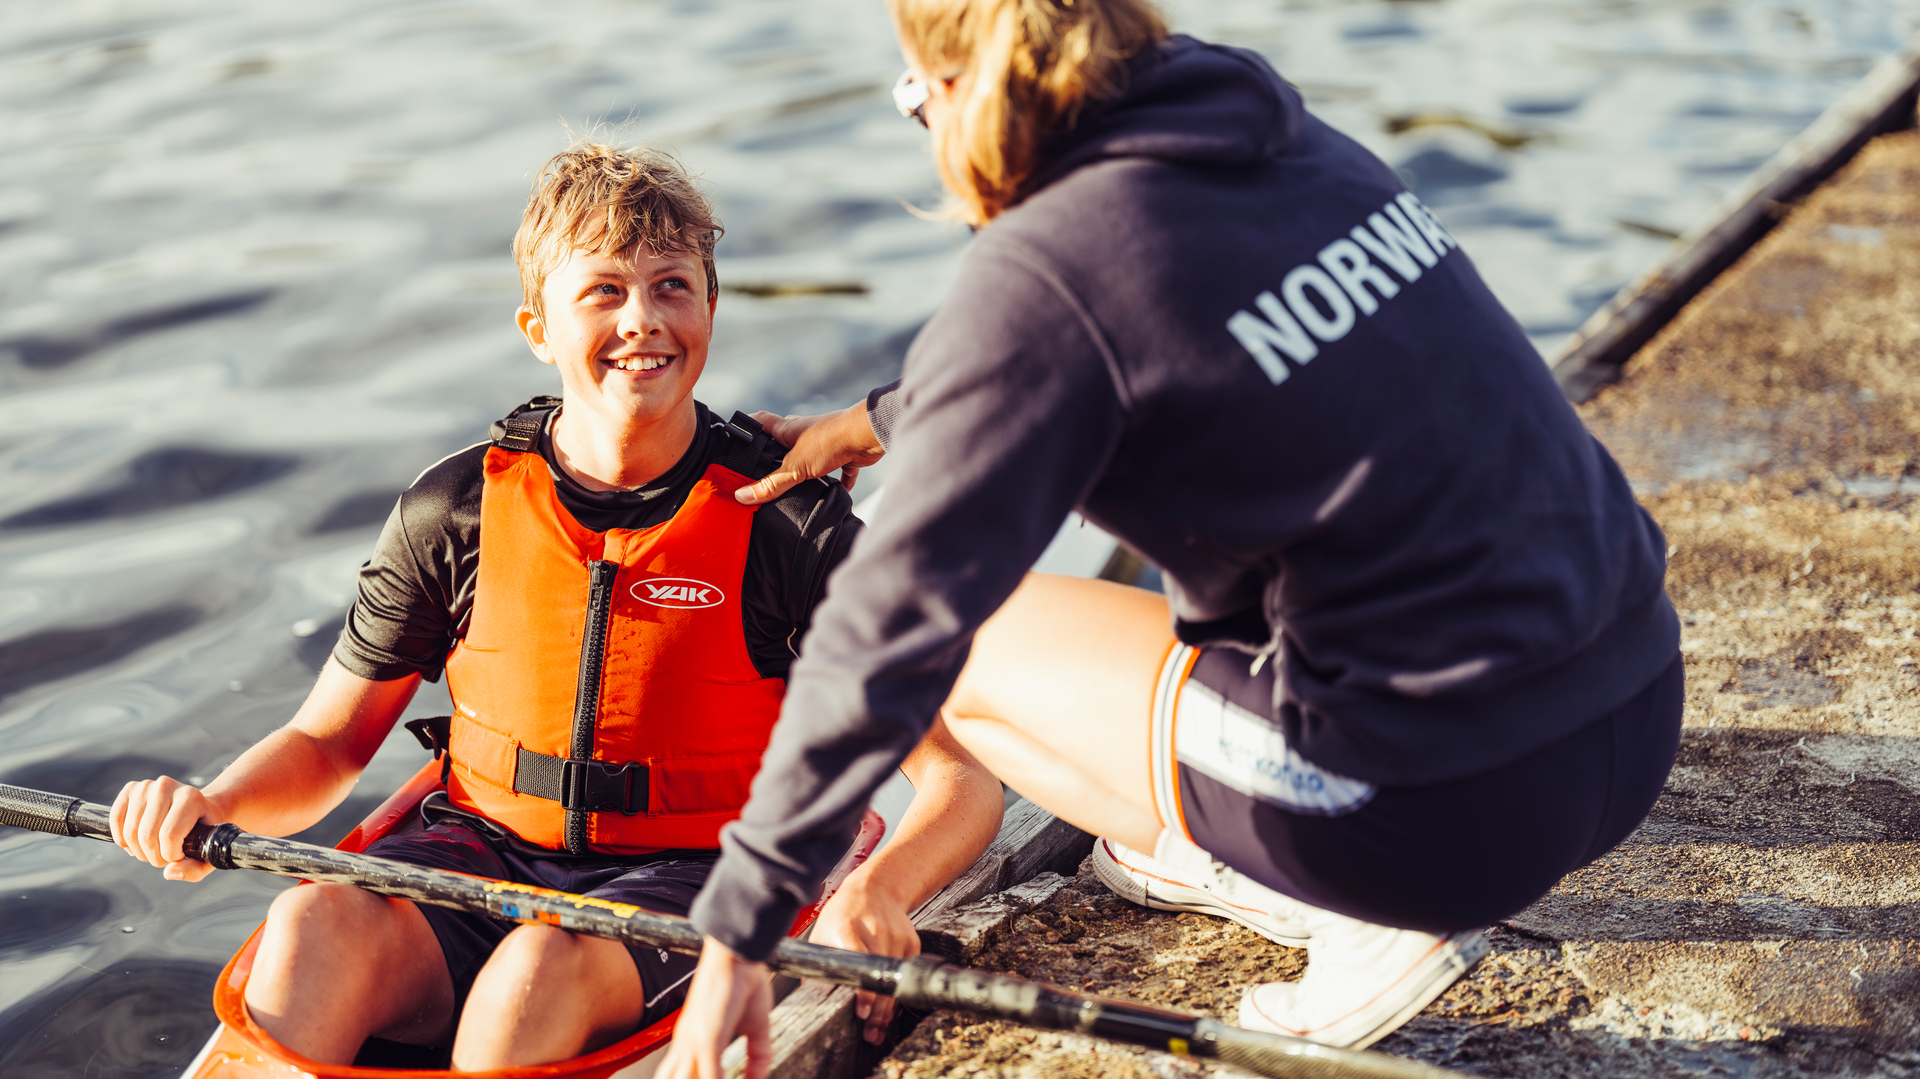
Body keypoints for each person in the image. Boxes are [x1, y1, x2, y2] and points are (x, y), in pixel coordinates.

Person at [658, 1, 1684, 1073]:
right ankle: (1250, 852)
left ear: (956, 91)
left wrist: (741, 921)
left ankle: (1362, 914)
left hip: (1447, 811)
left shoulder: (1045, 270)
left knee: (958, 649)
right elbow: (1107, 336)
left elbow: (886, 625)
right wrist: (875, 420)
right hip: (1635, 701)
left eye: (914, 101)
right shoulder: (1282, 143)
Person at [108, 143, 1003, 1070]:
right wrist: (210, 802)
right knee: (308, 923)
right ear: (537, 324)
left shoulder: (785, 525)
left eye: (672, 286)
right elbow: (328, 745)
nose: (643, 320)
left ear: (710, 307)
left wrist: (882, 893)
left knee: (532, 976)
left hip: (697, 871)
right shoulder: (456, 509)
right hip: (478, 847)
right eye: (603, 291)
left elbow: (959, 779)